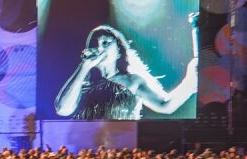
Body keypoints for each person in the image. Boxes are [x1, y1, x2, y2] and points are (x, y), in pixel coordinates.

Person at [53, 16, 198, 120]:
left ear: (118, 51)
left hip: (121, 143)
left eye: (105, 43)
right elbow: (62, 109)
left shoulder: (132, 81)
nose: (99, 48)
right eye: (95, 45)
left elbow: (165, 106)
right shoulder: (83, 83)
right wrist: (84, 67)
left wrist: (189, 82)